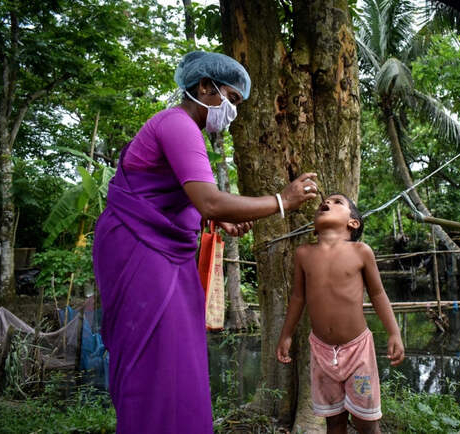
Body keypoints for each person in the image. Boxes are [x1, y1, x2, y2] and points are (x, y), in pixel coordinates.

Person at [93, 50, 319, 434]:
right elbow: (209, 197)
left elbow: (180, 197)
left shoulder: (187, 131)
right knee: (154, 355)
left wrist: (213, 218)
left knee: (179, 354)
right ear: (204, 87)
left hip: (164, 252)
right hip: (139, 249)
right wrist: (283, 201)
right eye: (231, 100)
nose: (232, 111)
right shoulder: (178, 125)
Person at [276, 193, 405, 434]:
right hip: (321, 351)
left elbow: (378, 295)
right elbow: (298, 298)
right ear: (315, 228)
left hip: (358, 351)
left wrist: (394, 332)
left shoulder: (361, 251)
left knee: (366, 423)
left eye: (338, 202)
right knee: (334, 421)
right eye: (324, 203)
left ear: (352, 223)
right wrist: (286, 335)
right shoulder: (304, 254)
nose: (327, 203)